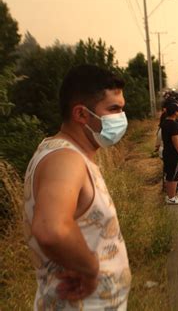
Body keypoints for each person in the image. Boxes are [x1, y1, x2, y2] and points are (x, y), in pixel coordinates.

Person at [23, 65, 131, 309]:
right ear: (82, 114)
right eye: (113, 109)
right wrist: (91, 268)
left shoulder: (68, 154)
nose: (121, 118)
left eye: (122, 109)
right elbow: (51, 229)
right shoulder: (65, 159)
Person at [161, 102, 178, 205]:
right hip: (174, 154)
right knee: (174, 175)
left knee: (170, 174)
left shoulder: (165, 122)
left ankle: (170, 195)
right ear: (175, 112)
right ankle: (172, 197)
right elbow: (175, 140)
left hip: (167, 152)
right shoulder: (174, 124)